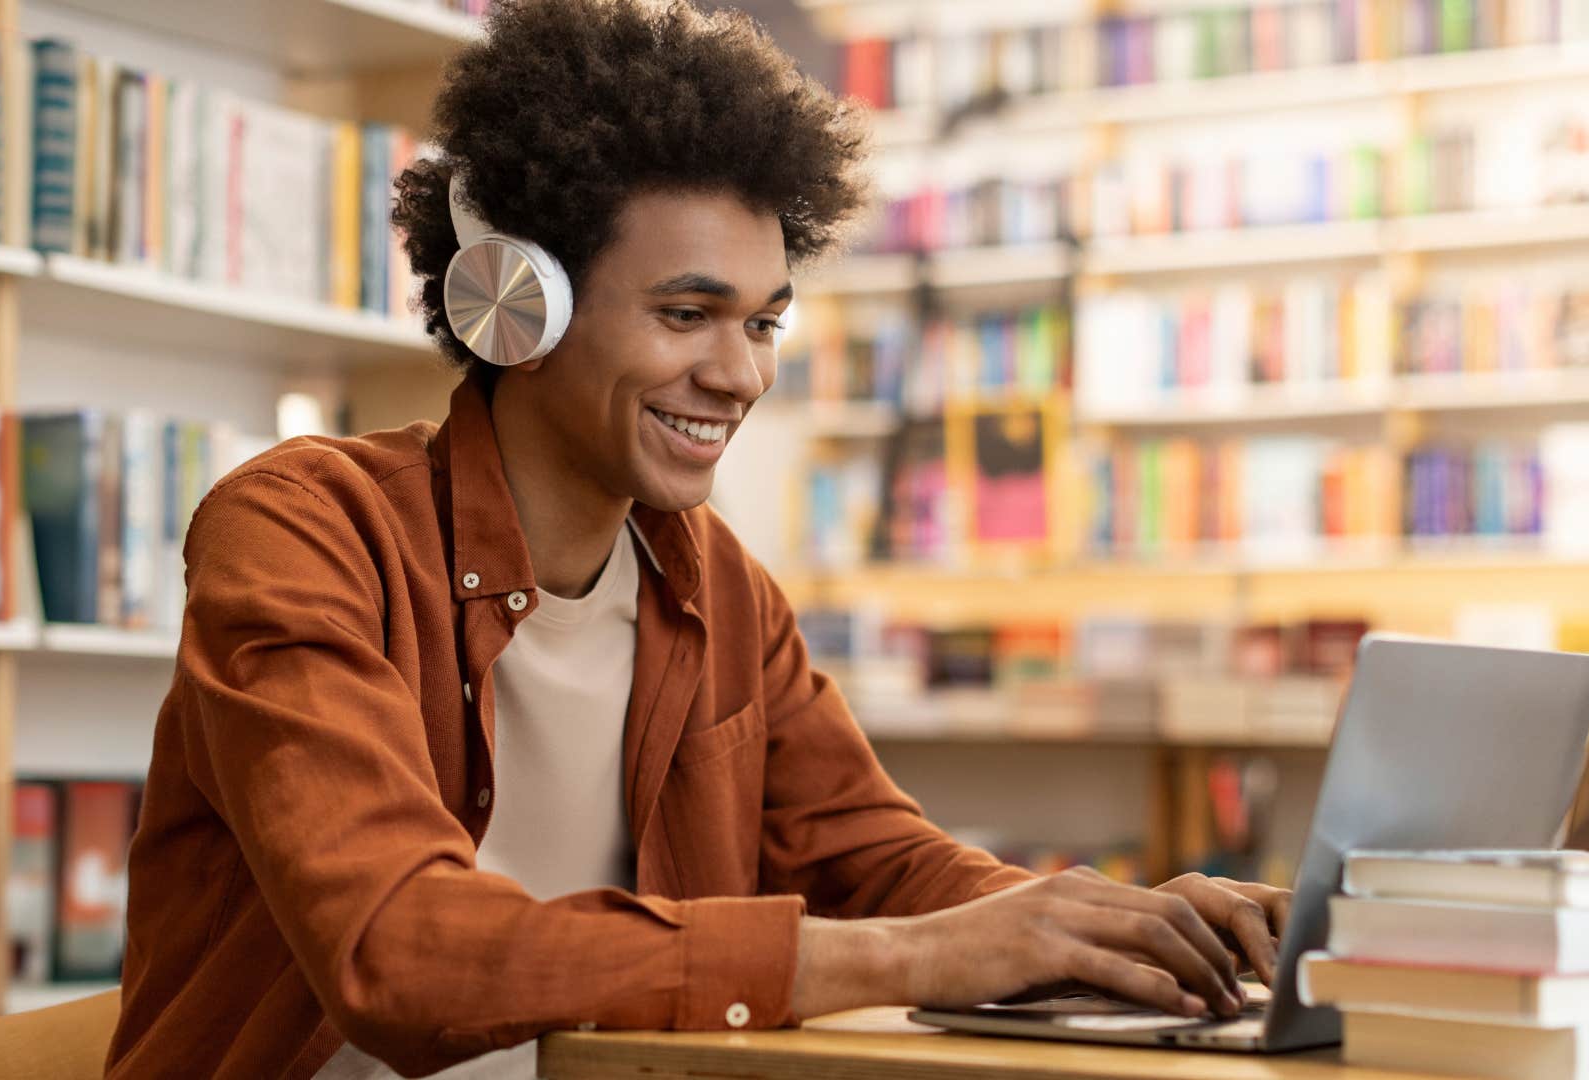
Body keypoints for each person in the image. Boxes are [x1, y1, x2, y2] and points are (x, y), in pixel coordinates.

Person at [104, 2, 1291, 1077]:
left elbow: (881, 859)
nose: (740, 375)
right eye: (687, 314)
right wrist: (913, 960)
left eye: (765, 321)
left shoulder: (719, 585)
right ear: (519, 302)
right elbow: (400, 952)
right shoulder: (303, 531)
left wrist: (1105, 921)